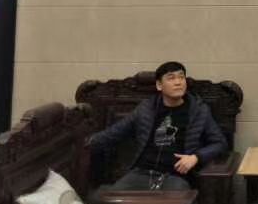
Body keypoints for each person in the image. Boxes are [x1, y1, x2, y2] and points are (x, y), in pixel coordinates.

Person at [87, 61, 228, 191]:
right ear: (159, 85)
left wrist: (195, 158)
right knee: (112, 199)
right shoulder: (146, 108)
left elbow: (220, 143)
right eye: (171, 78)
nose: (178, 82)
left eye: (181, 77)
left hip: (175, 176)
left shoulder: (198, 110)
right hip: (141, 173)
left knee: (177, 203)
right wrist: (86, 142)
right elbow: (115, 132)